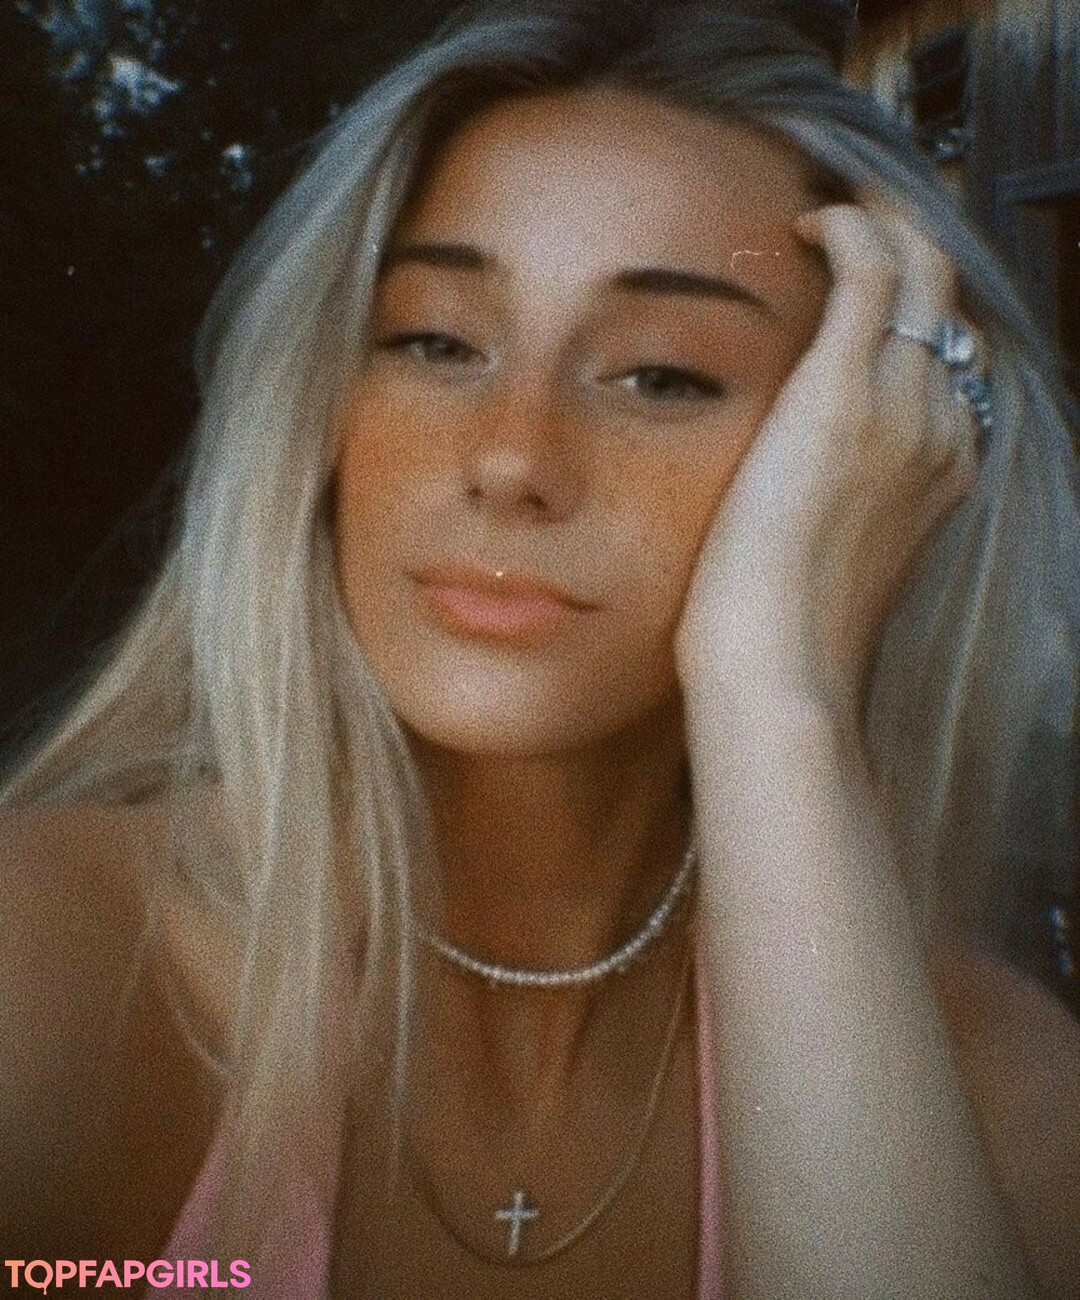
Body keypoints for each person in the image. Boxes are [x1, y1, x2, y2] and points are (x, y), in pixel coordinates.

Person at [2, 0, 1079, 1295]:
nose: (511, 457)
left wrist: (777, 697)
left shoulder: (1003, 1093)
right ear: (322, 410)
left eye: (661, 375)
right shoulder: (47, 961)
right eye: (436, 341)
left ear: (862, 461)